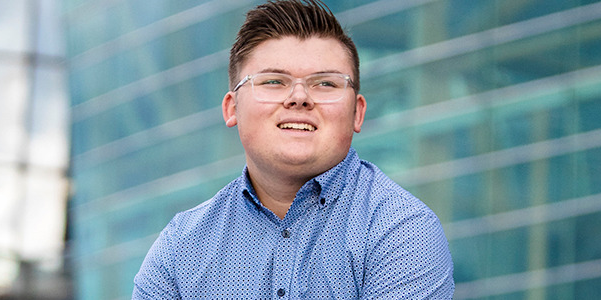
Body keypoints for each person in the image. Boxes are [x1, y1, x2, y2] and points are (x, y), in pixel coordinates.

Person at [133, 0, 454, 298]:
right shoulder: (180, 247)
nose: (299, 97)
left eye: (325, 83)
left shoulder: (403, 230)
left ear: (357, 112)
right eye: (274, 81)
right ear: (232, 108)